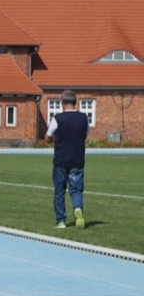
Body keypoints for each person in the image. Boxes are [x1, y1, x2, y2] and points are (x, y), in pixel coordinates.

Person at [45, 89, 89, 229]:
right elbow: (85, 135)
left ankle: (61, 221)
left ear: (62, 102)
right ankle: (77, 208)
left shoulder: (58, 118)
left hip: (61, 160)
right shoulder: (83, 118)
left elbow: (48, 136)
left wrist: (52, 140)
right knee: (76, 190)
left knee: (59, 191)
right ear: (75, 102)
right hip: (77, 159)